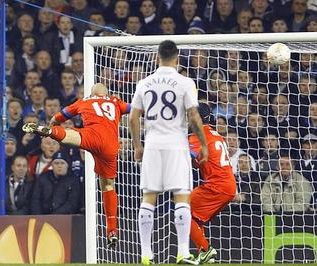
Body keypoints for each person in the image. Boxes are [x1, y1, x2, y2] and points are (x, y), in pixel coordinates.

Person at [128, 40, 208, 265]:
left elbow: (133, 118)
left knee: (148, 198)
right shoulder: (185, 82)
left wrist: (137, 146)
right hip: (176, 145)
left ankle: (145, 255)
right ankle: (183, 253)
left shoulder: (144, 83)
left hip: (152, 145)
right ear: (177, 58)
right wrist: (203, 144)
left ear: (157, 57)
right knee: (181, 196)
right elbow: (193, 115)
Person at [22, 82, 130, 248]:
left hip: (91, 136)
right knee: (108, 186)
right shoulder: (115, 102)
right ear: (106, 93)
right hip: (110, 144)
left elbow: (59, 116)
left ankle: (51, 133)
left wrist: (52, 124)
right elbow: (135, 108)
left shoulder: (83, 102)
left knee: (71, 135)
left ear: (92, 93)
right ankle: (112, 230)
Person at [187, 103, 236, 264]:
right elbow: (201, 160)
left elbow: (188, 156)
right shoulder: (215, 134)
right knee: (197, 218)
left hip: (216, 185)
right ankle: (204, 254)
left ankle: (206, 250)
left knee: (183, 212)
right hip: (228, 185)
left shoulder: (197, 136)